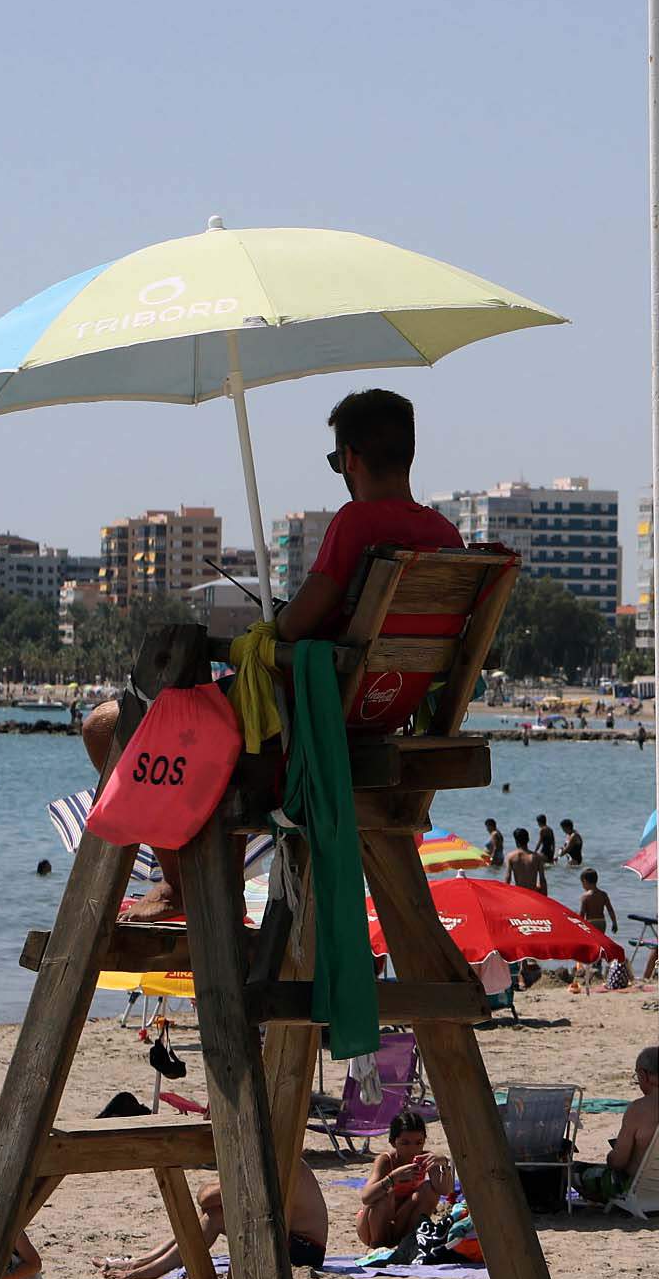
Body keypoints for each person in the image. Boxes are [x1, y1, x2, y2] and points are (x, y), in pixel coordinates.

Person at [79, 388, 463, 920]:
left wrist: (267, 626)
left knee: (104, 727)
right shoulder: (446, 534)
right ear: (408, 454)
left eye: (337, 462)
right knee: (222, 731)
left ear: (350, 458)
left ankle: (182, 886)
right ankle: (220, 892)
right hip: (383, 717)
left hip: (306, 724)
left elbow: (297, 623)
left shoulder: (358, 521)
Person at [103, 1156, 328, 1278]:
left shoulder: (276, 1161)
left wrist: (216, 1184)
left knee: (215, 1217)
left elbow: (205, 1197)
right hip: (292, 1238)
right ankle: (143, 1262)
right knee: (213, 1212)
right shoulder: (276, 1153)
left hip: (304, 1249)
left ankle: (153, 1269)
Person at [572, 1047, 659, 1206]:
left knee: (573, 1170)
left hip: (639, 1187)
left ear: (644, 1075)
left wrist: (612, 1155)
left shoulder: (638, 1109)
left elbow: (618, 1162)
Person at [355, 1111, 456, 1248]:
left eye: (418, 1143)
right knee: (384, 1194)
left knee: (429, 1190)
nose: (412, 1149)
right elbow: (366, 1198)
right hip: (373, 1227)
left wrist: (443, 1164)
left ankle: (408, 1242)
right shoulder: (386, 1161)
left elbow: (444, 1190)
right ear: (393, 1142)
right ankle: (378, 1246)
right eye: (405, 1143)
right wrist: (393, 1178)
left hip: (401, 1222)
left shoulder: (425, 1159)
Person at [577, 868, 618, 933]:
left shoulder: (585, 896)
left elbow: (582, 913)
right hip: (602, 922)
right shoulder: (603, 894)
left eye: (582, 883)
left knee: (591, 939)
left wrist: (578, 925)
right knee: (600, 938)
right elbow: (610, 910)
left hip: (591, 922)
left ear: (585, 881)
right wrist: (614, 923)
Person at [505, 828, 546, 894]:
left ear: (516, 841)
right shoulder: (537, 857)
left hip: (520, 894)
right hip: (532, 894)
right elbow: (542, 879)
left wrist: (505, 894)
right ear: (528, 839)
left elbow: (508, 878)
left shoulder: (511, 856)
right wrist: (545, 897)